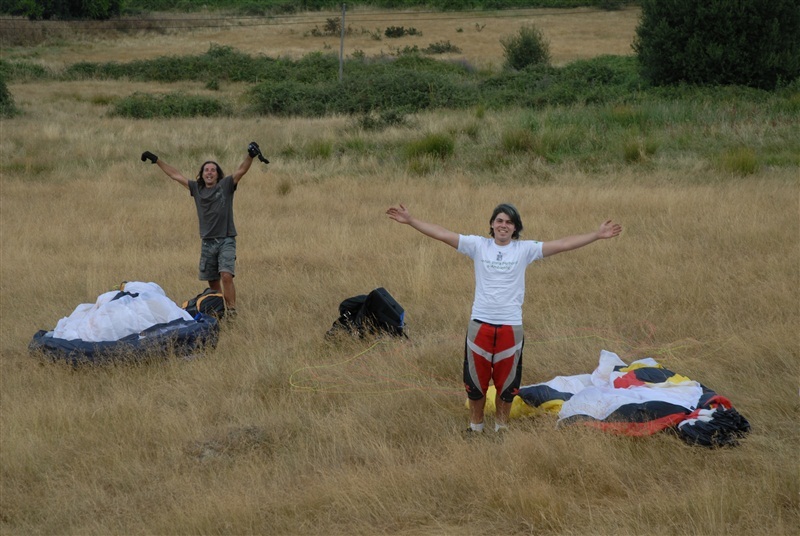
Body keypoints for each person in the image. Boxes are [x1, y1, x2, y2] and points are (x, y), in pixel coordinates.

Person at [386, 202, 622, 434]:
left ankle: (502, 429)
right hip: (480, 325)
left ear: (515, 228)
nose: (503, 225)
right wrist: (411, 220)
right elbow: (443, 234)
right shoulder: (478, 245)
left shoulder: (524, 249)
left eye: (509, 222)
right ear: (491, 224)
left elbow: (562, 244)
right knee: (475, 383)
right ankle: (475, 428)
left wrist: (597, 235)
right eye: (499, 220)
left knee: (507, 385)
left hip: (511, 327)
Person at [141, 142, 266, 315]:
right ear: (202, 174)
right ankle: (220, 308)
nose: (209, 172)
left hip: (226, 239)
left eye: (213, 170)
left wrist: (251, 156)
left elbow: (241, 170)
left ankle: (231, 312)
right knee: (213, 281)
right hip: (207, 242)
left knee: (226, 275)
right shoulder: (196, 189)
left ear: (217, 175)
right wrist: (156, 160)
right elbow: (175, 175)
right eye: (206, 170)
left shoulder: (226, 185)